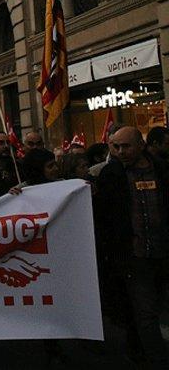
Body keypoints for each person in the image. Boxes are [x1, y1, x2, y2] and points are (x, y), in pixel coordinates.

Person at [93, 126, 169, 365]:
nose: (121, 151)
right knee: (145, 313)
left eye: (126, 146)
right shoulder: (110, 174)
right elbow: (103, 215)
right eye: (115, 147)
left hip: (163, 251)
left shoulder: (162, 170)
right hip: (133, 256)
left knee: (157, 305)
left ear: (141, 145)